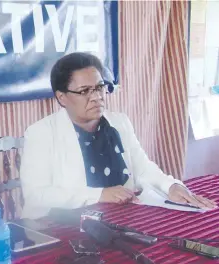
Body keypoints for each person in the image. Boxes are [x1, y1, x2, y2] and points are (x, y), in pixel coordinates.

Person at [20, 52, 216, 219]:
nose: (96, 96)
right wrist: (100, 195)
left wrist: (170, 185)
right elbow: (37, 194)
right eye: (84, 91)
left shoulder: (119, 122)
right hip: (59, 227)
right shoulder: (41, 134)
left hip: (120, 220)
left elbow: (143, 168)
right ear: (62, 97)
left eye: (99, 87)